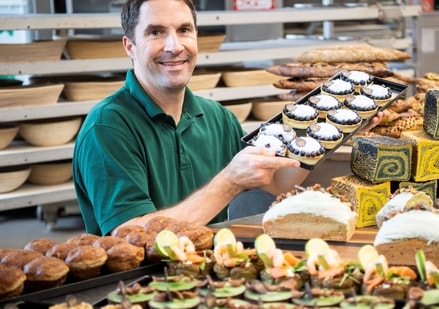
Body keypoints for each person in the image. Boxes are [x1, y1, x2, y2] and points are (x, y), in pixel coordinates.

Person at [72, 0, 386, 236]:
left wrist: (330, 133)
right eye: (156, 32)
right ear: (130, 46)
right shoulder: (108, 128)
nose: (174, 46)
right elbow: (133, 237)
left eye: (184, 30)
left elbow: (274, 182)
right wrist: (228, 182)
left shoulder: (216, 118)